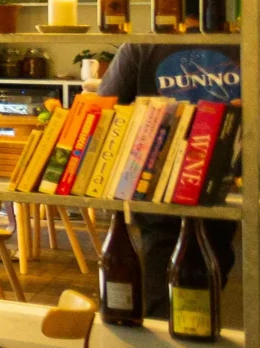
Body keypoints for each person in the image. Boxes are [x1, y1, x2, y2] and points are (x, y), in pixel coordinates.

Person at [97, 39, 240, 318]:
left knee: (161, 273)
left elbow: (107, 111)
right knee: (214, 266)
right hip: (227, 185)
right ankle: (198, 334)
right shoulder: (244, 43)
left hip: (159, 183)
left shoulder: (141, 47)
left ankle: (170, 345)